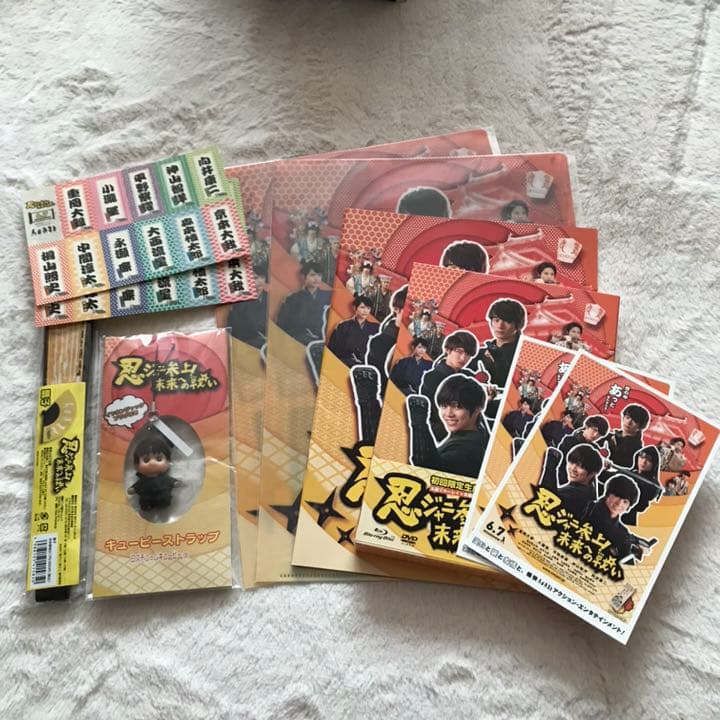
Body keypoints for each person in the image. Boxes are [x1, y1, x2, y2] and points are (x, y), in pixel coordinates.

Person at [408, 375, 489, 477]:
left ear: (477, 409)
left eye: (457, 407)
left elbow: (428, 469)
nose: (448, 414)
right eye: (443, 406)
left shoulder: (469, 449)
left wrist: (419, 421)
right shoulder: (478, 431)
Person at [420, 331, 478, 442]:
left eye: (468, 354)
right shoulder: (432, 377)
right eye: (459, 351)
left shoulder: (468, 376)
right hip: (443, 432)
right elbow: (432, 414)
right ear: (447, 349)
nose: (463, 358)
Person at [583, 475, 651, 561]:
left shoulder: (623, 531)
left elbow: (622, 560)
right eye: (617, 496)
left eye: (625, 501)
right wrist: (633, 541)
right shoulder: (586, 508)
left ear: (628, 508)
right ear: (608, 494)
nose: (619, 503)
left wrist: (635, 550)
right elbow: (605, 529)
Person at [539, 443, 604, 519]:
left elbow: (548, 500)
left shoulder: (578, 496)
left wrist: (550, 467)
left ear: (592, 473)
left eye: (580, 466)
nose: (573, 468)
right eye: (571, 462)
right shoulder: (589, 487)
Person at [474, 298, 526, 388]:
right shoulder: (480, 354)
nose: (500, 326)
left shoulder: (525, 353)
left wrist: (498, 361)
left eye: (507, 321)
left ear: (519, 325)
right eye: (496, 320)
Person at [276, 261, 331, 345]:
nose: (316, 279)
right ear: (304, 277)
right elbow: (282, 323)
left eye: (319, 275)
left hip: (322, 340)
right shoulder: (292, 298)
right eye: (312, 275)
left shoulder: (328, 296)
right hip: (299, 340)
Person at [127, 431, 180, 512]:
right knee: (145, 502)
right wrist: (133, 489)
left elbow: (171, 481)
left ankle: (163, 505)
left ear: (168, 462)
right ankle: (147, 507)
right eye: (146, 460)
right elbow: (137, 486)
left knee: (164, 499)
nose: (152, 463)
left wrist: (176, 483)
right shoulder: (143, 481)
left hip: (162, 496)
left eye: (159, 459)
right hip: (146, 498)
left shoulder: (164, 478)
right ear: (137, 466)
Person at [327, 295, 380, 367]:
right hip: (344, 364)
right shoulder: (343, 326)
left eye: (368, 308)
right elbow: (332, 349)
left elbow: (377, 352)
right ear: (355, 308)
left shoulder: (375, 328)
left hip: (366, 366)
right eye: (362, 307)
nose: (365, 311)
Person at [227, 263, 268, 349]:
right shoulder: (239, 301)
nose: (260, 281)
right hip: (248, 344)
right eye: (255, 278)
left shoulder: (270, 298)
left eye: (262, 277)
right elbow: (235, 329)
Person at [621, 446, 663, 525]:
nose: (644, 461)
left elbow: (642, 505)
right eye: (642, 457)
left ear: (654, 464)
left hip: (628, 518)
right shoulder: (629, 473)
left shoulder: (653, 484)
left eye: (649, 460)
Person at [604, 403, 650, 469]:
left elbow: (625, 466)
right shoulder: (609, 436)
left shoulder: (637, 450)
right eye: (627, 417)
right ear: (623, 418)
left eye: (634, 421)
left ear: (640, 426)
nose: (629, 422)